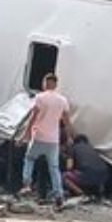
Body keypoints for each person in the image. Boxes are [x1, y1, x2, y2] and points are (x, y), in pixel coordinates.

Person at [20, 73, 73, 207]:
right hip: (53, 139)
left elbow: (33, 117)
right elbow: (67, 121)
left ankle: (27, 183)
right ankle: (58, 194)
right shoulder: (62, 100)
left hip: (38, 136)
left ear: (45, 83)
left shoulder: (40, 98)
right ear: (55, 84)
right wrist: (69, 137)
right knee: (54, 168)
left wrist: (25, 134)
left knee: (29, 159)